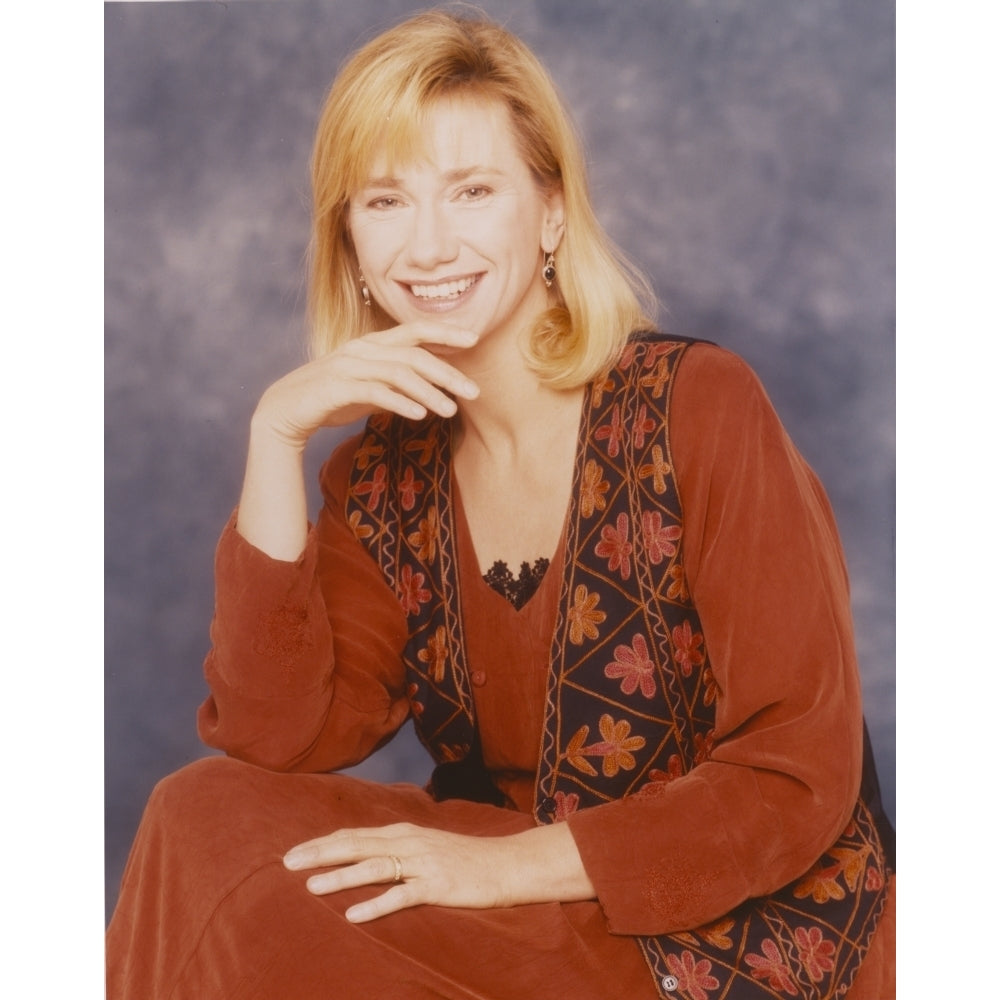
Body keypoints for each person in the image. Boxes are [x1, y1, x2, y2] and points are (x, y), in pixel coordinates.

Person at [106, 8, 895, 999]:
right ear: (348, 240)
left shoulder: (699, 405)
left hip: (726, 913)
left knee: (288, 927)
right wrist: (275, 436)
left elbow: (794, 775)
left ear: (550, 214)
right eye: (385, 201)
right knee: (202, 814)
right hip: (507, 882)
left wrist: (503, 869)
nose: (428, 244)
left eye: (472, 191)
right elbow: (277, 740)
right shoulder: (381, 476)